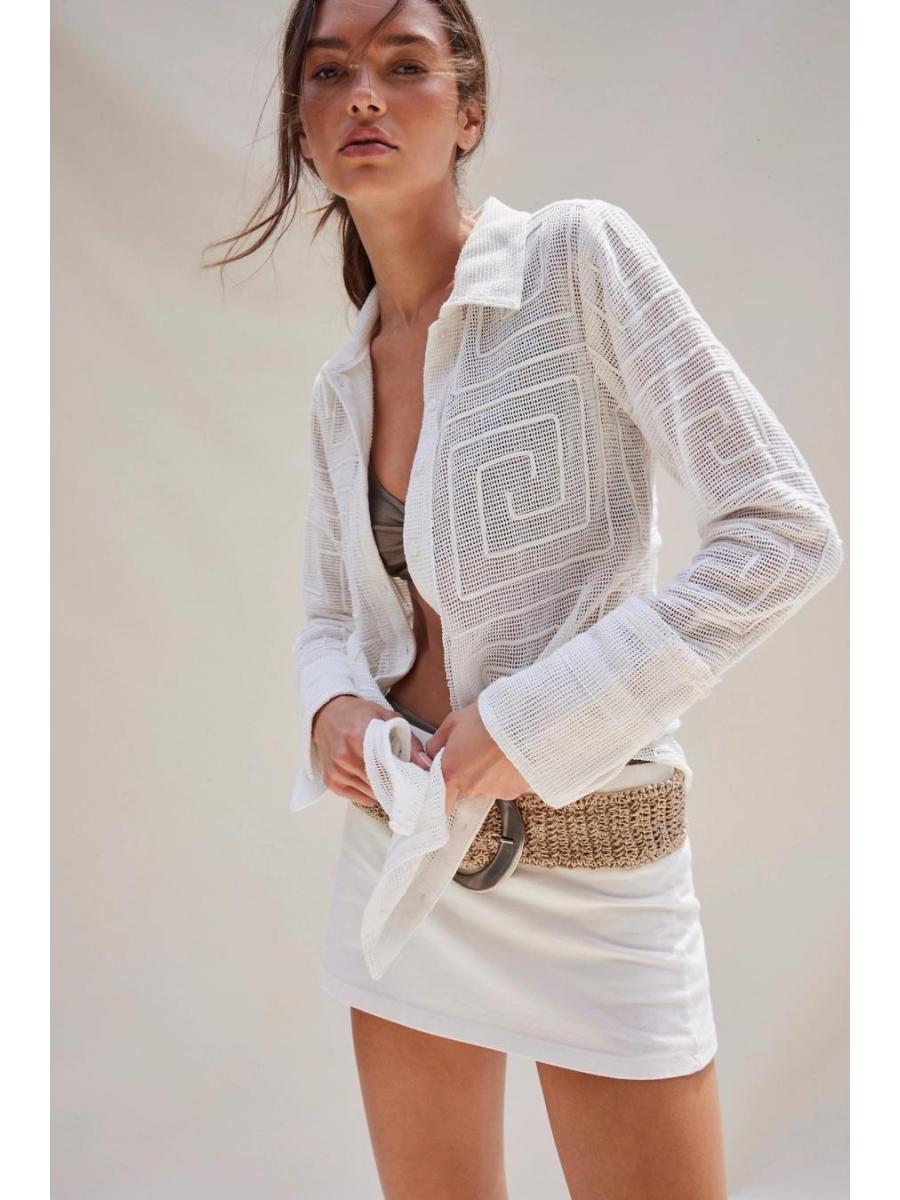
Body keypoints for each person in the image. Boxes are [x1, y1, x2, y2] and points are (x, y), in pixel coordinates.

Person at [204, 1, 844, 1197]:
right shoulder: (342, 383)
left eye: (404, 65)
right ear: (300, 125)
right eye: (328, 72)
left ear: (470, 112)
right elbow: (330, 616)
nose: (362, 94)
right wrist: (331, 708)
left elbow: (783, 531)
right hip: (402, 863)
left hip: (593, 861)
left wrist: (529, 724)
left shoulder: (574, 260)